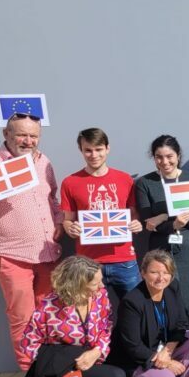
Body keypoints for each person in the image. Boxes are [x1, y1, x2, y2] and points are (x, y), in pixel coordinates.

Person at [0, 112, 62, 370]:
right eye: (22, 135)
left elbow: (52, 199)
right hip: (12, 255)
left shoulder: (44, 161)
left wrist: (59, 222)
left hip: (47, 253)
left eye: (33, 136)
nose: (28, 141)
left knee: (49, 314)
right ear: (7, 134)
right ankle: (31, 375)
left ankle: (50, 369)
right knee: (22, 318)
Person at [19, 256, 131, 377]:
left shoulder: (100, 297)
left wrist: (96, 352)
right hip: (66, 375)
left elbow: (106, 326)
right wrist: (63, 364)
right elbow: (29, 344)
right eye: (96, 283)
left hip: (92, 366)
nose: (102, 286)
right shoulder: (49, 306)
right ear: (78, 283)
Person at [109, 250, 189, 377]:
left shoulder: (172, 287)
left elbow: (181, 323)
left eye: (166, 272)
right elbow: (132, 346)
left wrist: (167, 352)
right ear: (142, 273)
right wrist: (166, 362)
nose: (161, 278)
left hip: (160, 348)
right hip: (134, 359)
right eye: (154, 272)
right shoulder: (132, 302)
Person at [135, 135, 189, 340]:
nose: (165, 162)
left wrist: (163, 217)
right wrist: (172, 222)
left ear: (178, 155)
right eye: (159, 157)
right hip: (161, 250)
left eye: (169, 156)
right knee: (165, 305)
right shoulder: (145, 183)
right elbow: (148, 222)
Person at [60, 128, 143, 307]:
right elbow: (67, 219)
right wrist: (70, 228)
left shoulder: (125, 179)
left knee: (136, 310)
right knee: (91, 312)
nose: (93, 155)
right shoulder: (70, 182)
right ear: (81, 151)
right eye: (88, 150)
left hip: (124, 260)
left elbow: (133, 214)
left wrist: (136, 224)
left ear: (107, 148)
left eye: (98, 149)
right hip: (88, 263)